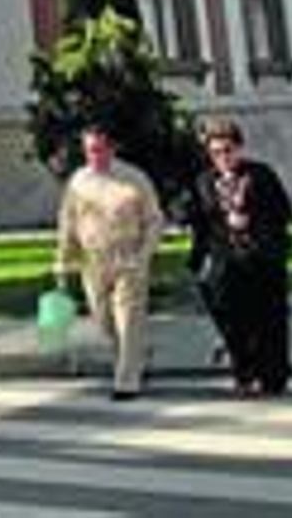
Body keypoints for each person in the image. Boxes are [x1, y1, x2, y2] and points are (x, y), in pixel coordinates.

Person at [53, 123, 166, 400]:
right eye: (90, 150)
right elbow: (68, 222)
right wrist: (63, 261)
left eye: (101, 149)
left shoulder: (134, 178)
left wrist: (144, 256)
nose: (96, 155)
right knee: (104, 321)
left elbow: (154, 220)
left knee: (128, 320)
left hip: (128, 258)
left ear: (111, 148)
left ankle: (126, 382)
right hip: (93, 262)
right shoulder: (78, 181)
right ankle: (132, 361)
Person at [187, 115, 292, 397]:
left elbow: (283, 212)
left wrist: (252, 221)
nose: (222, 157)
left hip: (263, 258)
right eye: (215, 152)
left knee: (268, 320)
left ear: (239, 148)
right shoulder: (204, 181)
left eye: (227, 150)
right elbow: (198, 219)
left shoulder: (260, 175)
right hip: (225, 262)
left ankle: (271, 377)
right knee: (233, 322)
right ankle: (244, 373)